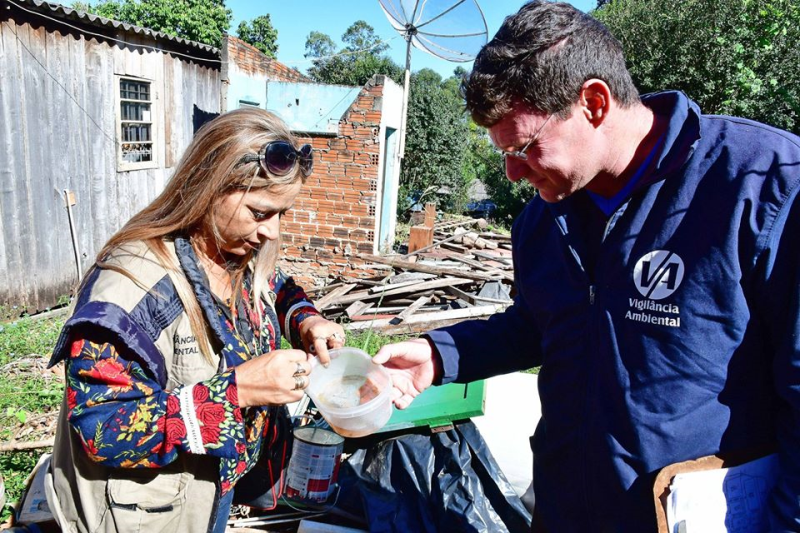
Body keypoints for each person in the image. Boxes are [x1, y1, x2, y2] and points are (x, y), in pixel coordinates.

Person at [373, 1, 800, 531]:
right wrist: (441, 355)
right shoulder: (543, 218)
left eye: (525, 147)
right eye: (501, 152)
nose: (511, 173)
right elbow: (540, 325)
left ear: (594, 103)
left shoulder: (763, 186)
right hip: (565, 509)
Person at [44, 107, 344, 532]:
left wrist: (305, 320)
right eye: (260, 213)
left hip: (205, 496)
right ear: (208, 188)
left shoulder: (235, 250)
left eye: (283, 214)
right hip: (142, 517)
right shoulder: (132, 289)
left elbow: (274, 285)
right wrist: (237, 392)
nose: (273, 232)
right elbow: (101, 429)